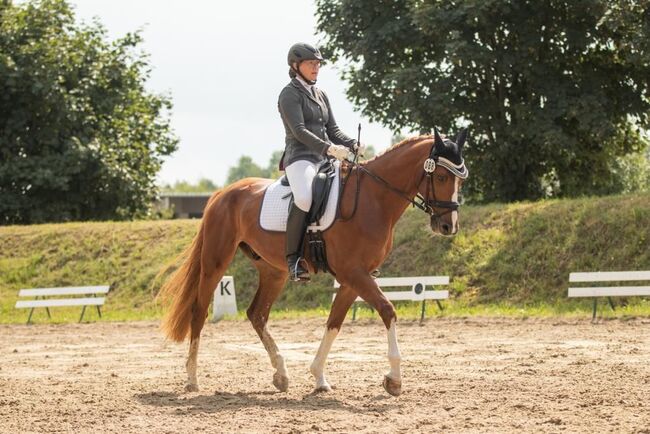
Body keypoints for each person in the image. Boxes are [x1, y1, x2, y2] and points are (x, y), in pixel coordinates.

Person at [278, 42, 363, 282]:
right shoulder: (289, 94)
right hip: (300, 157)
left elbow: (333, 129)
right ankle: (293, 259)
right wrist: (329, 148)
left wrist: (351, 144)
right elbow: (299, 130)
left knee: (352, 187)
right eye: (311, 63)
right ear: (296, 66)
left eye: (318, 64)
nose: (316, 68)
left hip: (325, 158)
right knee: (304, 197)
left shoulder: (320, 94)